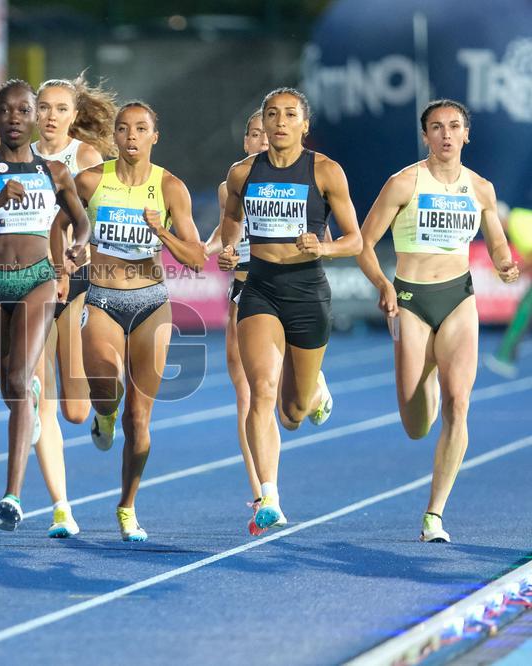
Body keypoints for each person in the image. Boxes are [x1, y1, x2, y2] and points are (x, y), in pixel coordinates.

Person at [357, 99, 519, 542]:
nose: (445, 134)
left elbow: (500, 246)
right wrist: (384, 286)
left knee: (459, 404)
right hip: (410, 299)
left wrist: (506, 267)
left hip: (458, 299)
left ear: (466, 134)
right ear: (425, 136)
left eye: (453, 127)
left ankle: (435, 514)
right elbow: (363, 243)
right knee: (415, 425)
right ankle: (425, 373)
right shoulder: (404, 183)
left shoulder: (481, 188)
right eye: (436, 127)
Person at [0, 79, 91, 532]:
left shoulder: (54, 172)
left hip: (37, 282)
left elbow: (81, 223)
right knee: (12, 393)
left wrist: (76, 248)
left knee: (19, 377)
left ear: (32, 118)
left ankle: (12, 495)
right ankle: (26, 412)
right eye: (5, 111)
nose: (14, 118)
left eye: (23, 111)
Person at [220, 87, 362, 531]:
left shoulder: (325, 171)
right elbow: (230, 227)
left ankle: (314, 390)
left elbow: (355, 240)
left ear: (305, 125)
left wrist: (324, 246)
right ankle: (269, 495)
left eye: (289, 115)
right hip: (259, 288)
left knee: (292, 413)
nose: (279, 123)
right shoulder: (243, 173)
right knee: (260, 390)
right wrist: (227, 251)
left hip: (307, 291)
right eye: (271, 114)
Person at [76, 101, 207, 541]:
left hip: (152, 302)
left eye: (141, 128)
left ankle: (127, 505)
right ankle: (103, 414)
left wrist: (162, 232)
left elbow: (196, 259)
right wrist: (68, 255)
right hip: (103, 298)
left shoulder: (170, 187)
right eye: (124, 129)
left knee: (141, 420)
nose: (131, 136)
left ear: (155, 136)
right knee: (107, 389)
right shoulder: (92, 182)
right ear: (114, 136)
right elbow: (59, 228)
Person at [30, 74, 117, 537]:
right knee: (38, 394)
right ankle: (62, 507)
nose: (50, 117)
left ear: (74, 115)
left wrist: (72, 262)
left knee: (76, 411)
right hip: (27, 284)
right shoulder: (17, 159)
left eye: (60, 109)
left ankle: (105, 413)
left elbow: (95, 223)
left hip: (75, 280)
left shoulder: (85, 158)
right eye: (43, 107)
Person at [204, 110, 270, 535]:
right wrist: (210, 248)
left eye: (269, 134)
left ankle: (313, 381)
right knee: (245, 395)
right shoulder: (232, 183)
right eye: (255, 134)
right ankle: (262, 492)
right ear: (245, 141)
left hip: (289, 290)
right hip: (245, 288)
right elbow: (224, 234)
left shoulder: (306, 179)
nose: (263, 140)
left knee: (287, 400)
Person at [486, 206, 532, 378]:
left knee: (523, 311)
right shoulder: (519, 218)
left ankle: (505, 357)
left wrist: (516, 272)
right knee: (524, 309)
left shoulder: (516, 224)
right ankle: (505, 356)